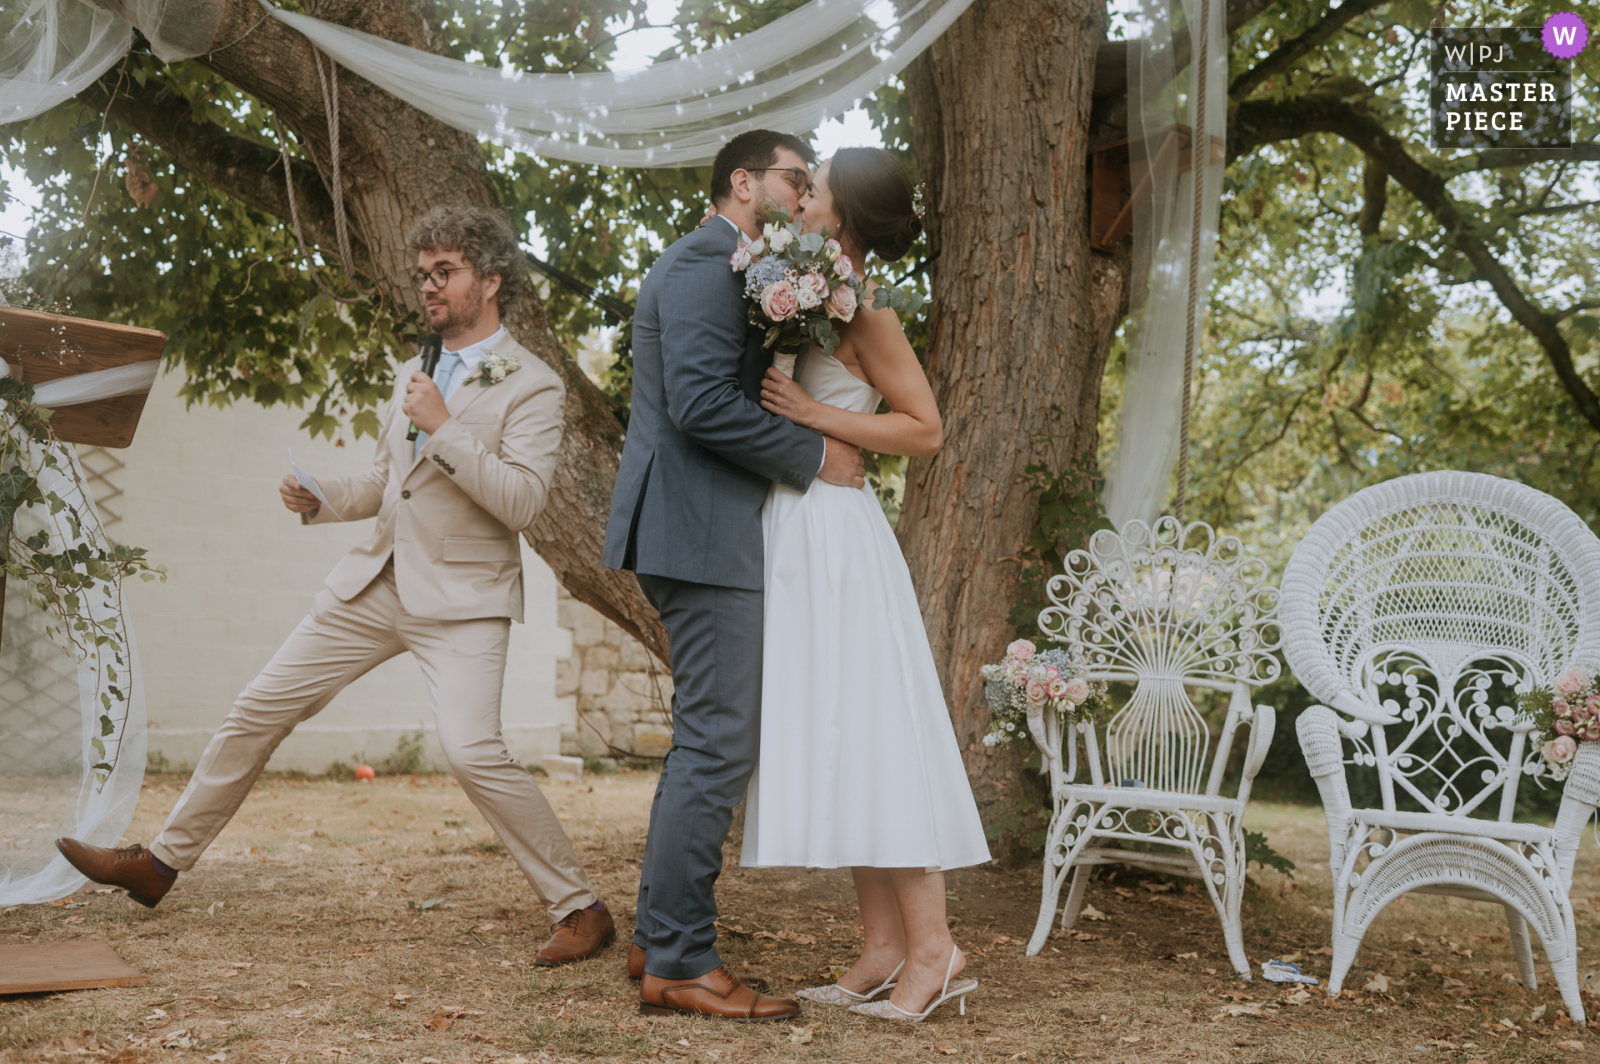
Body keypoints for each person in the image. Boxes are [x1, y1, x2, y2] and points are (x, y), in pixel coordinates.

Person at [57, 206, 617, 969]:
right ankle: (159, 863)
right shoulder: (415, 369)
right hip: (375, 584)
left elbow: (520, 502)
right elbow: (389, 484)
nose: (429, 286)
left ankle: (581, 909)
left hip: (463, 600)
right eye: (422, 274)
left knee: (471, 751)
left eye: (445, 272)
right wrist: (320, 496)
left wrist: (445, 426)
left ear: (490, 280)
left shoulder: (535, 385)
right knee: (258, 708)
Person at [602, 129, 867, 1021]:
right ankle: (682, 960)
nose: (804, 193)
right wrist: (814, 454)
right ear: (745, 182)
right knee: (718, 744)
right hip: (698, 530)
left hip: (703, 528)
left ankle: (657, 938)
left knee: (703, 741)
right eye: (797, 177)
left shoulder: (738, 269)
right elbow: (702, 403)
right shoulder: (702, 263)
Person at [740, 147, 991, 1023]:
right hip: (796, 531)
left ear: (839, 215)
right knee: (841, 735)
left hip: (840, 541)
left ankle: (935, 951)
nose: (802, 198)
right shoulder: (804, 293)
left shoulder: (866, 311)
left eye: (814, 190)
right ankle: (882, 947)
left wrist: (817, 416)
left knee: (876, 734)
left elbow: (925, 430)